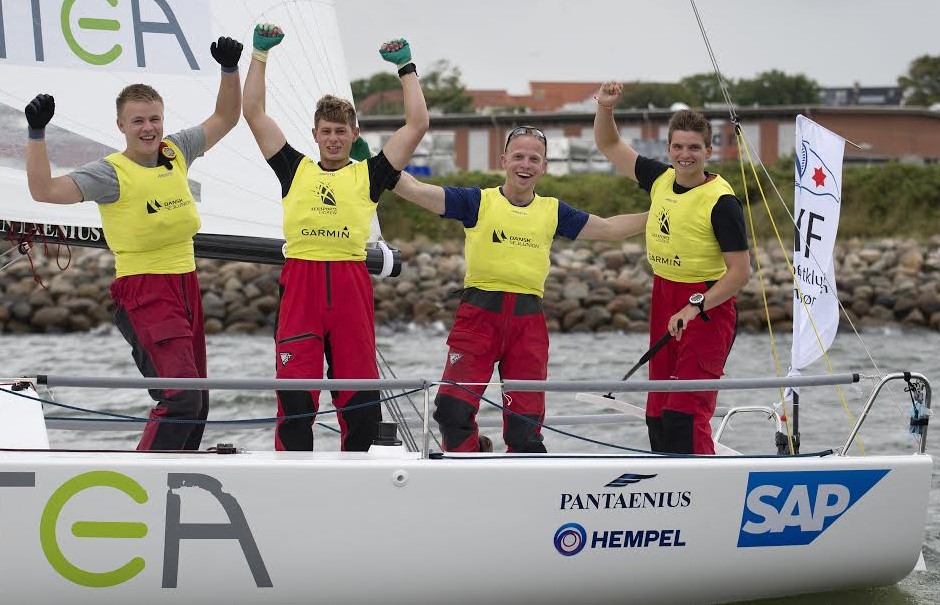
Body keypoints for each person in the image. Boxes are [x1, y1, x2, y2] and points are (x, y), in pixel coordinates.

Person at [24, 37, 244, 451]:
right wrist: (37, 133)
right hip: (144, 291)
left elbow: (226, 117)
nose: (148, 128)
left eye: (154, 119)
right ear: (121, 126)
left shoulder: (177, 150)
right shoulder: (108, 174)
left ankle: (178, 478)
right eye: (138, 121)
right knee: (180, 399)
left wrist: (230, 69)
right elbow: (44, 191)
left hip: (186, 287)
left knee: (198, 406)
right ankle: (141, 480)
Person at [392, 125, 647, 453]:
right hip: (479, 317)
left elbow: (611, 229)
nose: (525, 164)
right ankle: (472, 458)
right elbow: (415, 190)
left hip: (527, 323)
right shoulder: (476, 202)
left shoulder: (553, 212)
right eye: (518, 157)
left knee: (524, 429)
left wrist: (662, 213)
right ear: (504, 160)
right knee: (451, 411)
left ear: (544, 167)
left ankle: (522, 484)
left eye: (534, 158)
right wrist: (378, 168)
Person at [242, 24, 429, 451]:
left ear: (354, 135)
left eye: (341, 132)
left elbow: (417, 124)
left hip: (349, 289)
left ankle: (358, 481)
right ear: (315, 135)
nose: (332, 139)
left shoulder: (370, 174)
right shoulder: (294, 168)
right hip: (301, 289)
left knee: (360, 404)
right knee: (295, 404)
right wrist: (259, 54)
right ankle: (293, 479)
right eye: (326, 131)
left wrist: (405, 67)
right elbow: (253, 112)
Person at [593, 81, 751, 455]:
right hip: (664, 298)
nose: (685, 154)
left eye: (694, 147)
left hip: (705, 308)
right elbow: (609, 145)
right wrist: (605, 108)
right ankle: (669, 493)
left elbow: (740, 273)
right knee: (658, 413)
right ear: (668, 149)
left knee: (685, 413)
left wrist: (694, 306)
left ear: (709, 151)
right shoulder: (659, 178)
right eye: (678, 147)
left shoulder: (721, 202)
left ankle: (703, 491)